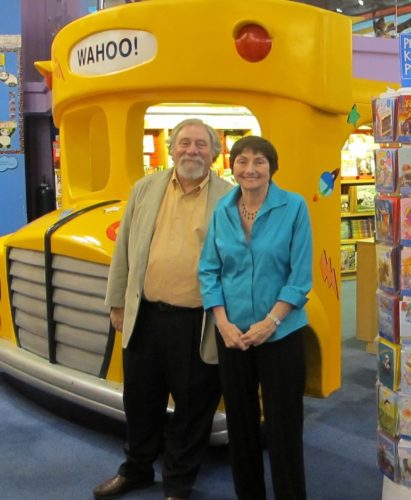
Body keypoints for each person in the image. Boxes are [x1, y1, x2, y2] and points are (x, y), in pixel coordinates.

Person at [93, 118, 233, 500]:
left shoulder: (229, 197)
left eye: (201, 145)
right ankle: (136, 470)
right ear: (171, 148)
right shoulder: (145, 188)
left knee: (193, 408)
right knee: (139, 400)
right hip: (146, 316)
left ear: (214, 153)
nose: (192, 150)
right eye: (184, 143)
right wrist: (117, 302)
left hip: (198, 322)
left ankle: (178, 483)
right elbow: (124, 249)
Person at [199, 136, 313, 500]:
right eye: (242, 161)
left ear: (272, 167)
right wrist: (222, 321)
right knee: (240, 424)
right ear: (231, 167)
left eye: (259, 161)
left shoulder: (294, 207)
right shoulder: (222, 209)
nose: (250, 169)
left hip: (280, 334)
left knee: (283, 427)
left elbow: (300, 278)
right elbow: (209, 269)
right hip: (232, 334)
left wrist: (271, 323)